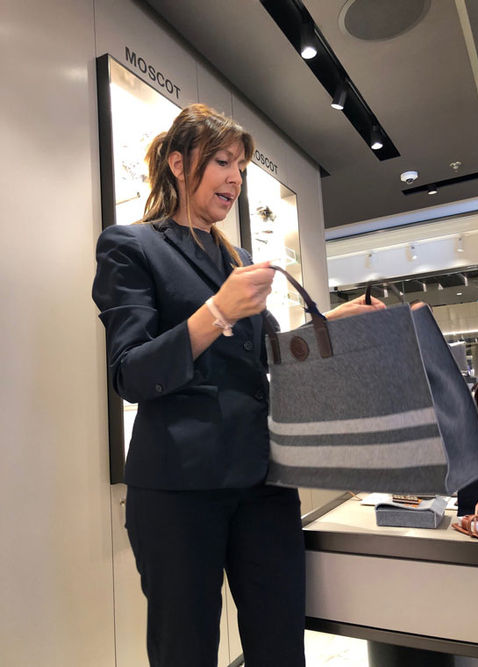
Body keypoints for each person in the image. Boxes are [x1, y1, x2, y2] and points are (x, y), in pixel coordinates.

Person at [92, 103, 385, 667]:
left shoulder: (236, 256)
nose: (235, 178)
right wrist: (216, 313)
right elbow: (131, 372)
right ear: (178, 164)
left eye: (242, 167)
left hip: (264, 481)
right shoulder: (130, 246)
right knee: (187, 652)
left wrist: (333, 325)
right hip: (179, 491)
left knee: (280, 646)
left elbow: (266, 357)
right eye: (222, 161)